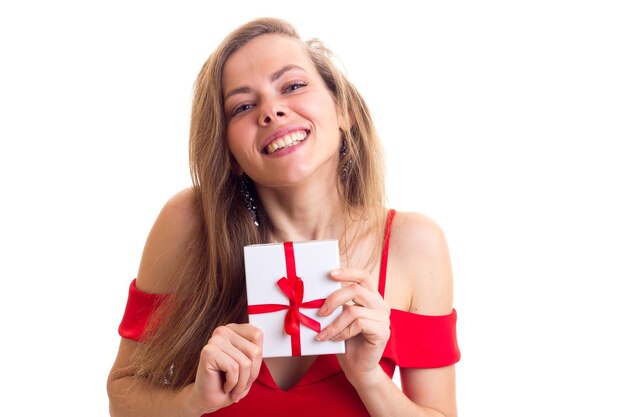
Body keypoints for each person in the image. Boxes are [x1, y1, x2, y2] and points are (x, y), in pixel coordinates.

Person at [107, 17, 460, 417]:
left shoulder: (414, 244)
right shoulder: (189, 223)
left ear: (344, 111)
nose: (271, 111)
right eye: (242, 106)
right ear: (230, 154)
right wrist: (192, 401)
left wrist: (369, 377)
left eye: (292, 86)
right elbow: (123, 398)